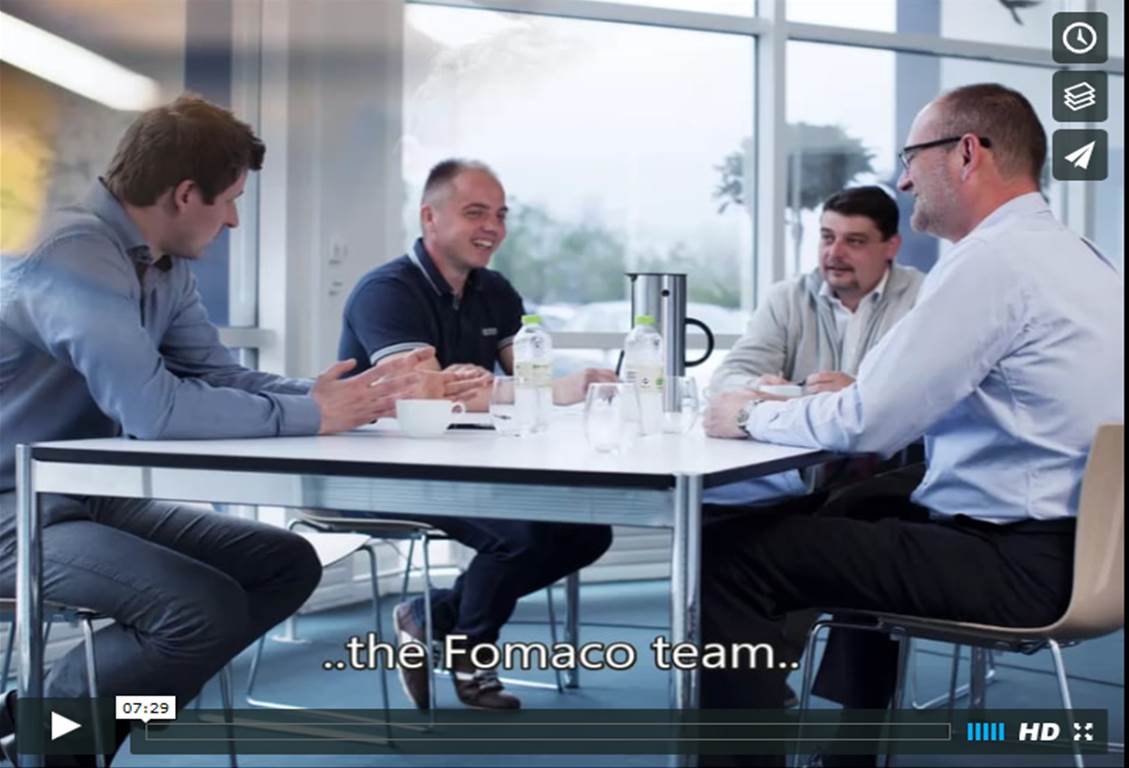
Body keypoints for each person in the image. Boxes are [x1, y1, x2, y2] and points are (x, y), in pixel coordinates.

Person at [0, 94, 439, 766]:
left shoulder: (161, 266)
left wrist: (346, 397)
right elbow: (156, 414)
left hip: (80, 499)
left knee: (281, 565)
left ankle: (46, 715)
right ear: (183, 194)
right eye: (230, 199)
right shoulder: (72, 256)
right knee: (199, 611)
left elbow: (219, 376)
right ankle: (56, 736)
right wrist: (319, 413)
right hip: (13, 508)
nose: (235, 218)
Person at [701, 83, 1123, 767]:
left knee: (726, 556)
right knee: (858, 507)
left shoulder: (991, 263)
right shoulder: (1083, 260)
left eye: (910, 157)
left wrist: (749, 413)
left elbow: (870, 417)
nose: (901, 179)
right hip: (1090, 550)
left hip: (1020, 563)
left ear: (965, 154)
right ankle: (854, 746)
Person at [337, 158, 615, 711]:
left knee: (590, 532)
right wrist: (497, 388)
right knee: (519, 536)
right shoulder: (385, 293)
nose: (493, 227)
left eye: (500, 214)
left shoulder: (496, 291)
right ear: (430, 218)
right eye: (475, 212)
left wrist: (547, 385)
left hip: (475, 459)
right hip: (390, 466)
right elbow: (424, 396)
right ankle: (472, 656)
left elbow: (526, 378)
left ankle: (431, 616)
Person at [706, 185, 923, 508]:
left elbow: (931, 396)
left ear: (891, 246)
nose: (834, 253)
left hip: (889, 476)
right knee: (710, 506)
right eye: (827, 237)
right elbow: (727, 378)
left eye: (854, 241)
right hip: (796, 475)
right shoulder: (787, 298)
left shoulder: (925, 298)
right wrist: (758, 388)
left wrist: (860, 394)